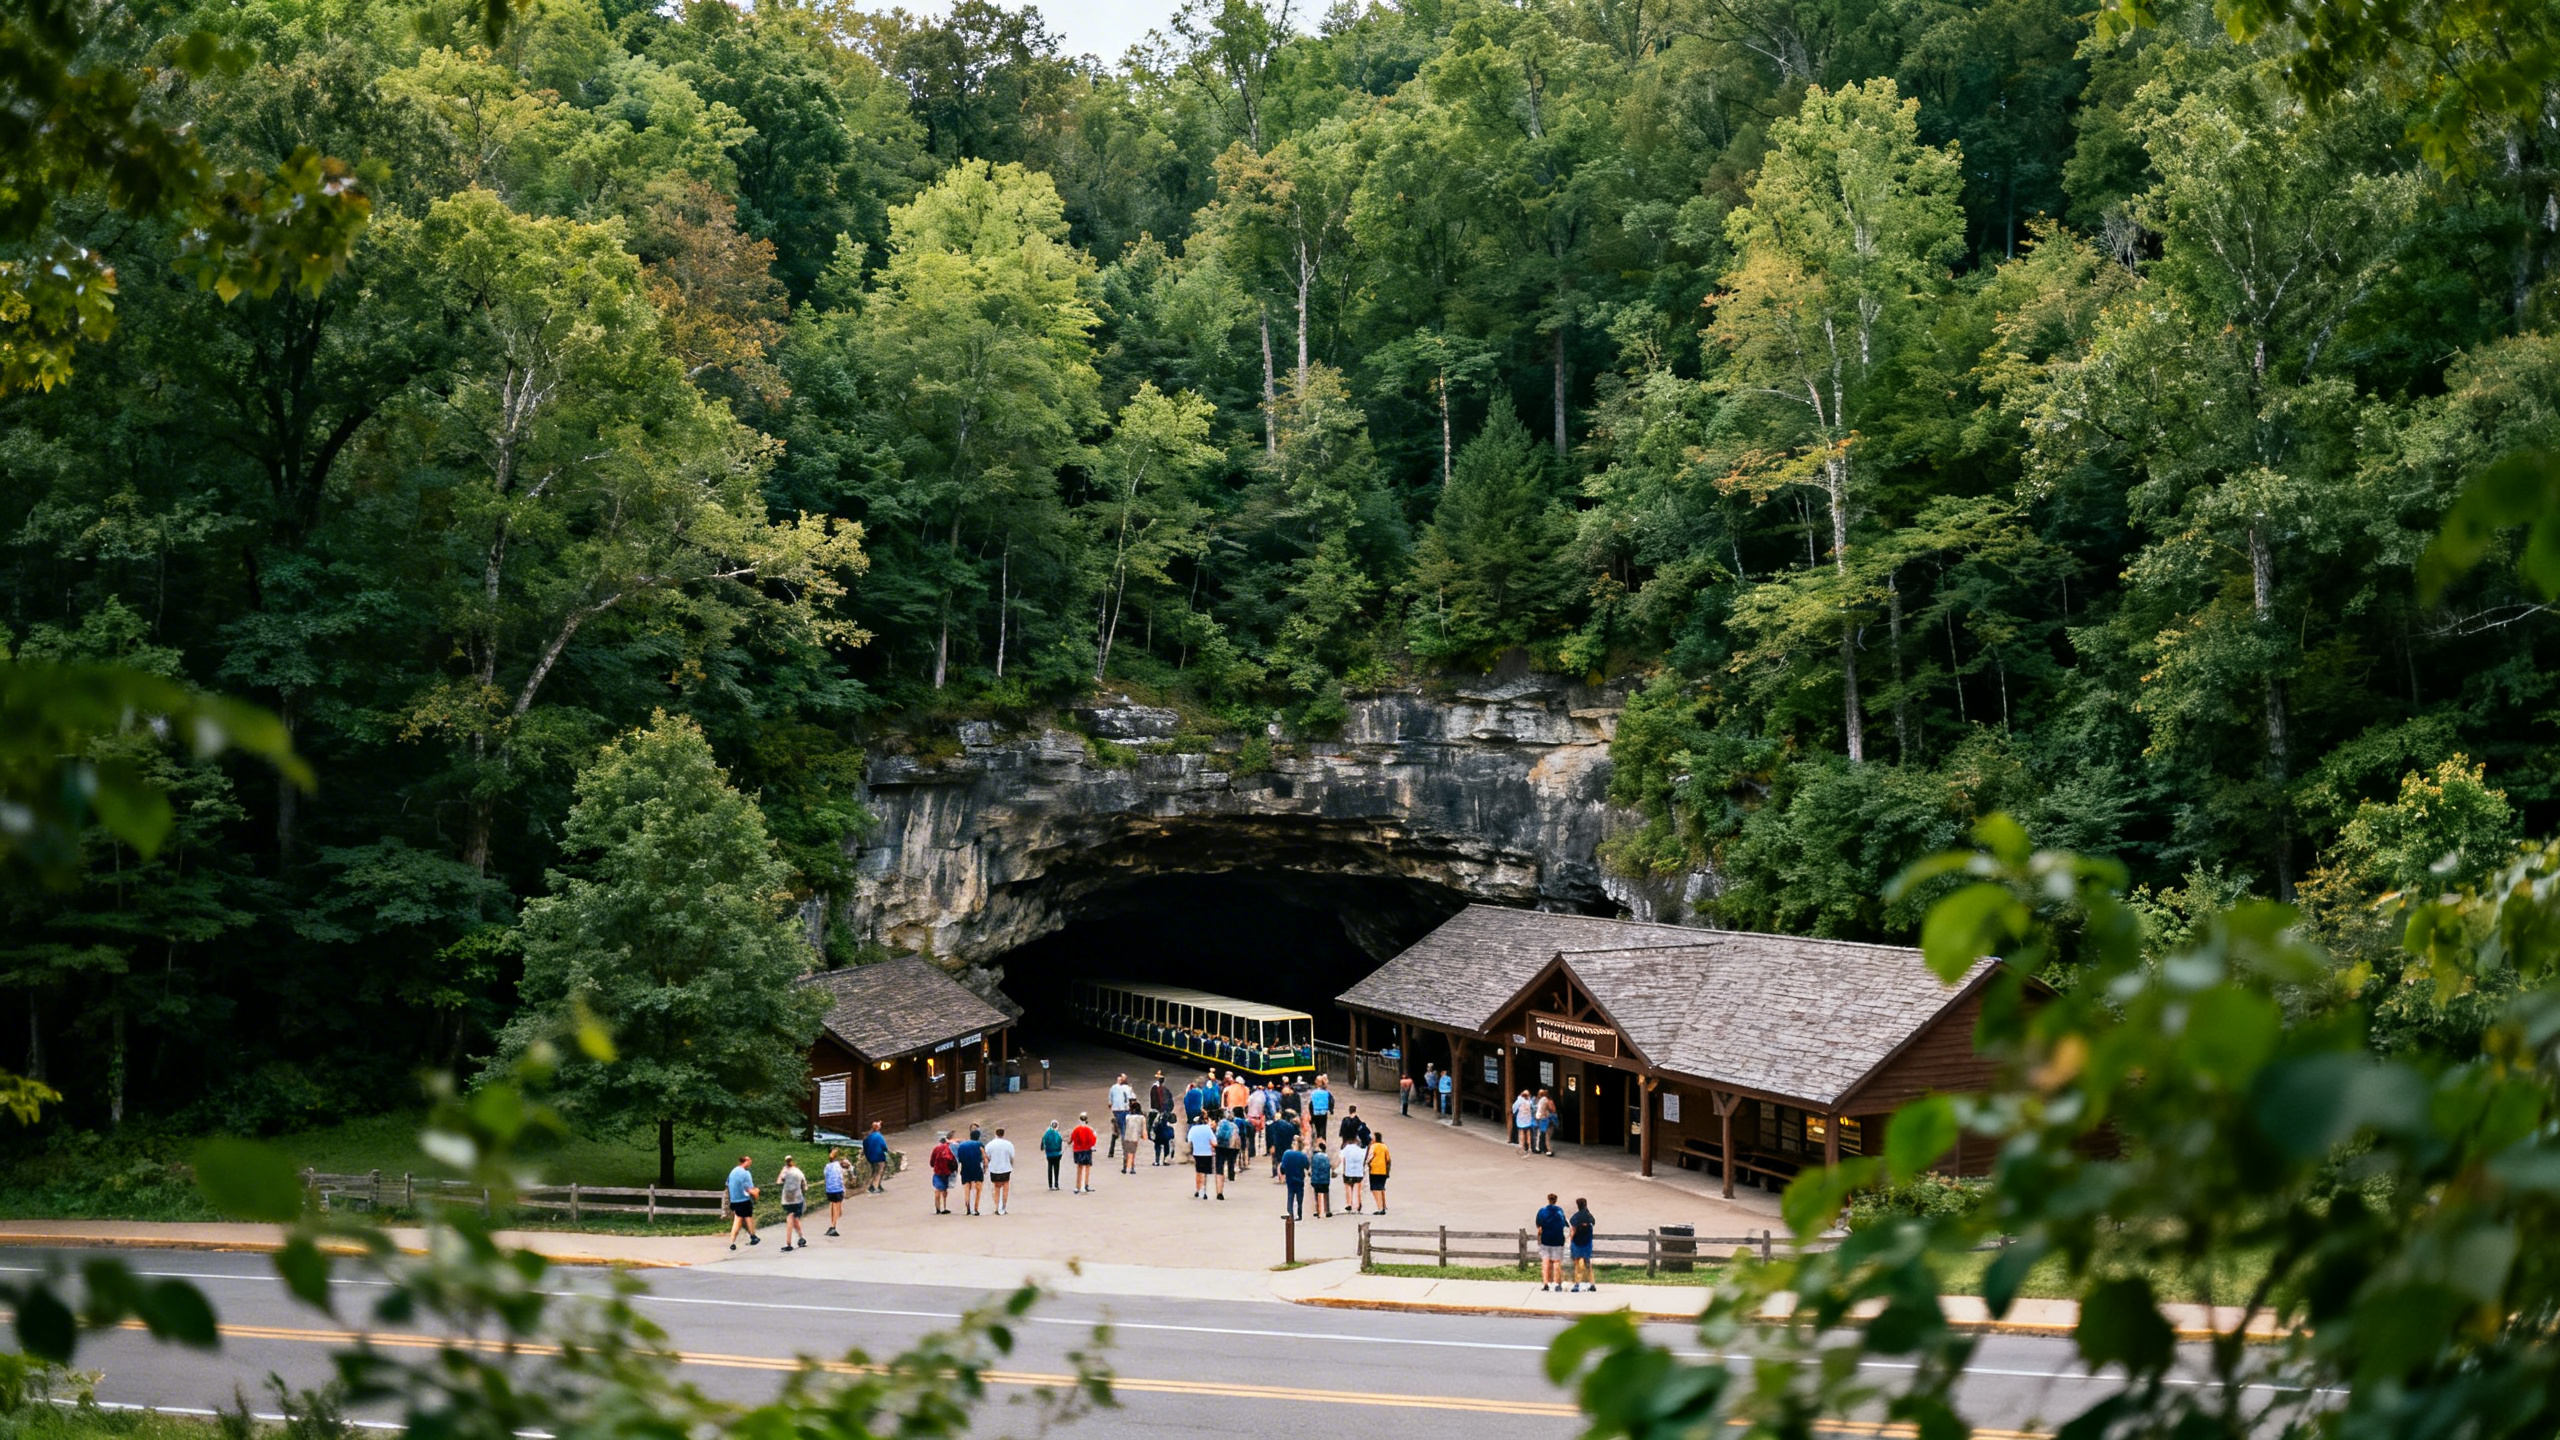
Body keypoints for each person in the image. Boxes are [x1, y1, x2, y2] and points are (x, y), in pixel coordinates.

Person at [1534, 1193, 1570, 1291]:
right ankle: (1557, 1284)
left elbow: (1539, 1228)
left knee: (1545, 1261)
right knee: (1557, 1262)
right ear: (1556, 1200)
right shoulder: (1560, 1211)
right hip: (1558, 1239)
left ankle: (1546, 1283)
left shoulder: (1542, 1211)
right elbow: (1566, 1225)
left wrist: (1539, 1239)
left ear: (1548, 1200)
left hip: (1546, 1239)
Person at [725, 1155, 760, 1250]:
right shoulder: (746, 1173)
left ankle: (735, 1241)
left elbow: (727, 1183)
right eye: (749, 1162)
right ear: (746, 1161)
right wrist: (756, 1192)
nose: (750, 1164)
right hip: (743, 1200)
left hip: (734, 1200)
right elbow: (750, 1189)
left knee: (740, 1218)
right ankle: (751, 1237)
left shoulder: (733, 1171)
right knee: (744, 1218)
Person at [777, 1155, 809, 1249]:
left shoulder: (785, 1171)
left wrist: (782, 1171)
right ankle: (801, 1238)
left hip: (787, 1200)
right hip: (798, 1198)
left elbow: (779, 1181)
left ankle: (788, 1243)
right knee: (796, 1218)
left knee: (790, 1218)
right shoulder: (798, 1172)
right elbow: (805, 1186)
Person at [954, 1127, 987, 1216]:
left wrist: (958, 1170)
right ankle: (976, 1209)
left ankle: (968, 1208)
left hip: (965, 1168)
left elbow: (958, 1159)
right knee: (978, 1189)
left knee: (966, 1188)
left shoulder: (962, 1145)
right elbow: (984, 1157)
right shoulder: (979, 1144)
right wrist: (985, 1168)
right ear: (978, 1137)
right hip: (976, 1168)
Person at [1568, 1197, 1597, 1292]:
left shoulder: (1575, 1217)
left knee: (1578, 1264)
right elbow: (1592, 1224)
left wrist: (1570, 1241)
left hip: (1577, 1242)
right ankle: (1592, 1283)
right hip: (1587, 1242)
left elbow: (1573, 1231)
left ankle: (1577, 1284)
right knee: (1588, 1264)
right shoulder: (1589, 1217)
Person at [1186, 1112, 1218, 1199]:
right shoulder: (1207, 1128)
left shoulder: (1193, 1129)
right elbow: (1214, 1142)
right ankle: (1203, 1190)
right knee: (1205, 1173)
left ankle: (1198, 1189)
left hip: (1197, 1153)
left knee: (1198, 1172)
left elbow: (1189, 1140)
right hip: (1207, 1153)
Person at [986, 1127, 1017, 1215]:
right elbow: (1012, 1155)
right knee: (1006, 1187)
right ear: (1003, 1134)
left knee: (996, 1188)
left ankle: (997, 1207)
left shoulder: (990, 1144)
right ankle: (1003, 1207)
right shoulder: (1008, 1144)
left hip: (994, 1169)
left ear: (995, 1134)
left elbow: (987, 1156)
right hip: (1006, 1168)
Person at [927, 1132, 957, 1215]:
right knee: (944, 1189)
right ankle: (945, 1207)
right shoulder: (948, 1149)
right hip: (947, 1172)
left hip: (938, 1171)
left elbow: (932, 1161)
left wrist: (934, 1166)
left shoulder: (936, 1148)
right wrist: (954, 1169)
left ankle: (937, 1208)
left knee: (937, 1189)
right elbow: (953, 1160)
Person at [1278, 1139, 1309, 1219]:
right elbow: (1307, 1166)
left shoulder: (1287, 1154)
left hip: (1290, 1178)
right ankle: (1299, 1213)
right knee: (1299, 1197)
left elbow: (1283, 1167)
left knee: (1290, 1196)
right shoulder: (1302, 1155)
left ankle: (1290, 1213)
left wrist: (1283, 1173)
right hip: (1299, 1178)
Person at [1068, 1114, 1098, 1192]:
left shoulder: (1076, 1129)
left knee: (1079, 1168)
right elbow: (1092, 1139)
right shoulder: (1089, 1129)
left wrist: (1069, 1142)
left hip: (1078, 1150)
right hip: (1087, 1150)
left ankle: (1077, 1187)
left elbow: (1071, 1139)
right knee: (1087, 1167)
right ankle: (1086, 1185)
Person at [1107, 1073, 1135, 1158]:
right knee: (1124, 1130)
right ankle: (1125, 1151)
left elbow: (1109, 1102)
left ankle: (1111, 1151)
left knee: (1116, 1130)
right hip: (1124, 1110)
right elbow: (1132, 1099)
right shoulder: (1127, 1088)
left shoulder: (1113, 1087)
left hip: (1116, 1111)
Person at [821, 1149, 847, 1237]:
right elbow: (844, 1174)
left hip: (829, 1190)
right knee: (837, 1209)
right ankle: (833, 1227)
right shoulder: (839, 1166)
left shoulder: (827, 1166)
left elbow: (825, 1174)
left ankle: (833, 1224)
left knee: (833, 1205)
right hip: (838, 1189)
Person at [1213, 1109, 1240, 1196]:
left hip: (1220, 1146)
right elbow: (1235, 1137)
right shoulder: (1235, 1126)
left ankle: (1220, 1176)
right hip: (1230, 1147)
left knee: (1219, 1164)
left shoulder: (1221, 1123)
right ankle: (1231, 1174)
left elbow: (1216, 1134)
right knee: (1231, 1161)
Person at [1266, 1111, 1299, 1179]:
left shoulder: (1275, 1124)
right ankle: (1284, 1173)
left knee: (1277, 1159)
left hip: (1277, 1143)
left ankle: (1276, 1173)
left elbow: (1271, 1134)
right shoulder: (1291, 1126)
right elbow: (1296, 1134)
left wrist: (1271, 1145)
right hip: (1287, 1144)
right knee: (1285, 1159)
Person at [1339, 1134, 1367, 1213]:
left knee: (1348, 1187)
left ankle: (1349, 1203)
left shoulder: (1345, 1149)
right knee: (1356, 1188)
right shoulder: (1361, 1150)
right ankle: (1356, 1205)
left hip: (1348, 1171)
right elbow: (1364, 1159)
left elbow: (1342, 1159)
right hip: (1358, 1172)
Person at [1367, 1131, 1391, 1215]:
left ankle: (1380, 1207)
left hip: (1374, 1170)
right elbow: (1388, 1159)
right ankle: (1384, 1205)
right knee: (1381, 1188)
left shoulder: (1373, 1146)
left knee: (1375, 1189)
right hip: (1383, 1170)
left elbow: (1369, 1157)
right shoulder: (1384, 1146)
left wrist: (1366, 1163)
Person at [863, 1122, 890, 1194]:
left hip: (870, 1157)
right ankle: (875, 1187)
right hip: (879, 1156)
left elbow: (864, 1146)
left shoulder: (868, 1136)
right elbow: (884, 1146)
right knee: (879, 1171)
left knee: (874, 1170)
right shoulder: (879, 1136)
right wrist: (886, 1151)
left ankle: (874, 1185)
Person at [1308, 1142, 1333, 1218]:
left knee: (1317, 1194)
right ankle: (1326, 1210)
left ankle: (1318, 1210)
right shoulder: (1327, 1157)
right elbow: (1330, 1167)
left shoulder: (1314, 1157)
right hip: (1325, 1180)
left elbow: (1310, 1169)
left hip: (1315, 1180)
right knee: (1326, 1193)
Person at [1040, 1120, 1065, 1190]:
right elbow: (1060, 1144)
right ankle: (1056, 1184)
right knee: (1057, 1169)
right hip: (1057, 1154)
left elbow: (1042, 1147)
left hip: (1049, 1154)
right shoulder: (1058, 1135)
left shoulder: (1046, 1134)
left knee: (1050, 1168)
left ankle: (1050, 1185)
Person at [1120, 1107, 1145, 1174]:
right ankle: (1131, 1168)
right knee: (1132, 1153)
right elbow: (1141, 1129)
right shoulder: (1141, 1118)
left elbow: (1123, 1126)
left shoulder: (1127, 1117)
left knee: (1126, 1152)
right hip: (1134, 1138)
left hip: (1126, 1137)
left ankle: (1125, 1167)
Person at [1308, 1077, 1333, 1142]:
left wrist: (1310, 1114)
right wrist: (1331, 1110)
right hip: (1323, 1113)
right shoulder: (1326, 1093)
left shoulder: (1313, 1093)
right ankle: (1323, 1141)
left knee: (1317, 1128)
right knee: (1323, 1128)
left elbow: (1311, 1104)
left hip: (1315, 1113)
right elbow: (1331, 1101)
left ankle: (1319, 1138)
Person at [1513, 1090, 1536, 1154]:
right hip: (1528, 1119)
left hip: (1521, 1119)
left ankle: (1522, 1147)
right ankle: (1529, 1148)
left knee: (1521, 1133)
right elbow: (1533, 1108)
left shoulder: (1519, 1100)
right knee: (1528, 1133)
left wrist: (1515, 1112)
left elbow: (1514, 1108)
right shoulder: (1529, 1101)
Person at [1535, 1090, 1557, 1155]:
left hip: (1540, 1118)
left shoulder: (1539, 1101)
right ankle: (1549, 1149)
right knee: (1547, 1135)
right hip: (1547, 1119)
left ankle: (1538, 1148)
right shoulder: (1547, 1101)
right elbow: (1552, 1110)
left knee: (1540, 1133)